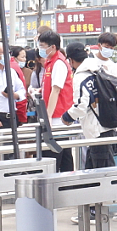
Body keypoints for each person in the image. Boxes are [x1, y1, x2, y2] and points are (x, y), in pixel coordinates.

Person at [61, 42, 117, 169]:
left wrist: (67, 117)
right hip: (107, 123)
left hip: (96, 129)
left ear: (71, 60)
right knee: (93, 168)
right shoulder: (99, 69)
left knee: (102, 171)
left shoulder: (81, 77)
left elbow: (81, 105)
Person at [39, 30, 75, 171]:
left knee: (55, 155)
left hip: (57, 116)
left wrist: (48, 116)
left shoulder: (58, 63)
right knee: (63, 154)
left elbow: (56, 90)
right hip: (55, 114)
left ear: (53, 47)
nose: (40, 49)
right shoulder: (51, 62)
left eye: (42, 46)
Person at [10, 46, 29, 123]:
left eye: (25, 57)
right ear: (15, 57)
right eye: (22, 57)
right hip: (17, 107)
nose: (25, 59)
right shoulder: (14, 68)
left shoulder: (12, 67)